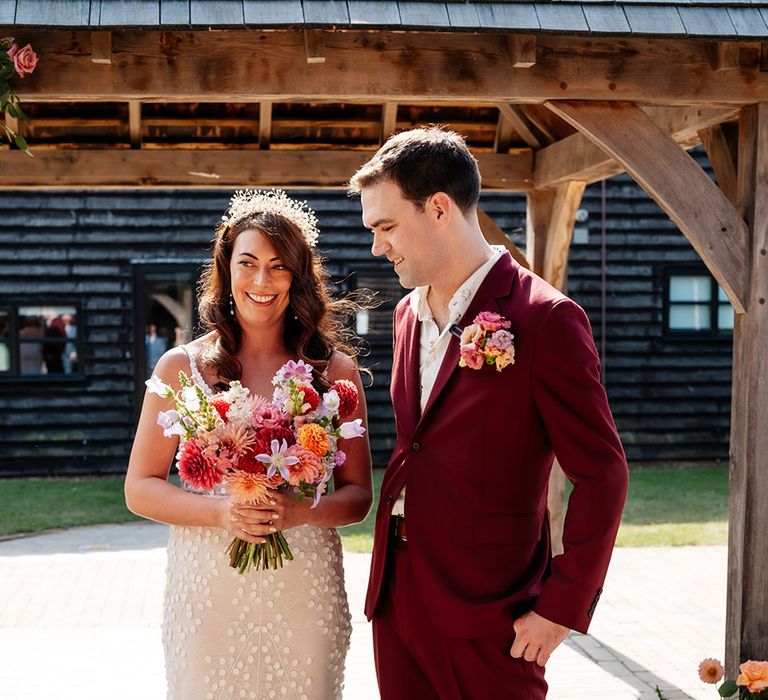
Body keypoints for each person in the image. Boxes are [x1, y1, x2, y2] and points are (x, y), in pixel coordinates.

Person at [349, 126, 629, 699]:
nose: (377, 247)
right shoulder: (405, 313)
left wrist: (562, 607)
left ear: (439, 208)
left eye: (386, 227)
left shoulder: (548, 319)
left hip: (490, 612)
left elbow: (602, 475)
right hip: (398, 599)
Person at [125, 189, 373, 700]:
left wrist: (301, 512)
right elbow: (140, 488)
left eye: (280, 267)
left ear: (299, 277)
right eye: (249, 263)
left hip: (304, 586)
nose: (262, 281)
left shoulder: (336, 373)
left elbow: (358, 497)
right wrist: (220, 514)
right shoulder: (180, 368)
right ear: (226, 268)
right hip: (208, 590)